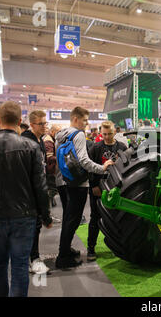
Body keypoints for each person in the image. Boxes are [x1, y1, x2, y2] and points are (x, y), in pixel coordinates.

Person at [0, 101, 52, 297]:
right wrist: (45, 216)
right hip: (24, 217)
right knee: (20, 266)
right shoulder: (31, 147)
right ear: (20, 120)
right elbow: (40, 187)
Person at [54, 106, 114, 269]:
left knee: (68, 218)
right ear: (75, 119)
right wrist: (102, 167)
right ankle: (63, 257)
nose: (87, 124)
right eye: (85, 120)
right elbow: (84, 161)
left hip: (65, 181)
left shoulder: (60, 135)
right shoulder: (78, 134)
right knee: (72, 220)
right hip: (78, 183)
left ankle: (65, 250)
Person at [87, 121, 127, 261]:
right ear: (100, 133)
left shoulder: (122, 147)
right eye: (104, 134)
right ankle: (90, 248)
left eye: (109, 134)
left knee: (116, 219)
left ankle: (116, 247)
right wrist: (93, 186)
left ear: (114, 132)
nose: (107, 137)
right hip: (98, 187)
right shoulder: (95, 147)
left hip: (117, 188)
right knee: (95, 218)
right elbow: (90, 168)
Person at [21, 110, 50, 275]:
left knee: (35, 226)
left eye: (45, 123)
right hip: (29, 191)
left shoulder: (40, 140)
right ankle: (33, 259)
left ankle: (33, 258)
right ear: (32, 124)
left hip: (38, 188)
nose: (45, 126)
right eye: (41, 123)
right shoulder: (26, 141)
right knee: (32, 226)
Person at [43, 125, 61, 208]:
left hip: (50, 169)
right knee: (53, 189)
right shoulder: (48, 141)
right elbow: (49, 156)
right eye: (58, 132)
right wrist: (61, 158)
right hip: (50, 169)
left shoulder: (51, 139)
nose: (59, 134)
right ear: (52, 131)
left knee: (52, 189)